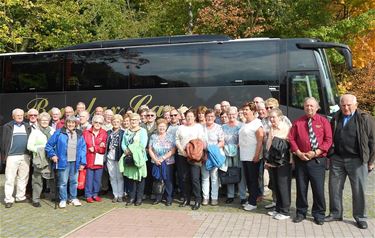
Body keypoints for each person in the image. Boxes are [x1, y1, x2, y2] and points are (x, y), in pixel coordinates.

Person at [325, 94, 375, 229]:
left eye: (349, 105)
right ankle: (336, 213)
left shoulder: (365, 118)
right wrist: (330, 156)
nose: (346, 108)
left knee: (359, 190)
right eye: (343, 105)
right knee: (334, 188)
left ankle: (360, 217)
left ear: (356, 105)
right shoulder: (335, 117)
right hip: (337, 159)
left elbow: (373, 141)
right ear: (340, 105)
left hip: (357, 160)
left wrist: (371, 161)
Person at [289, 97, 332, 225]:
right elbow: (291, 139)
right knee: (301, 188)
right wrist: (298, 153)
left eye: (312, 106)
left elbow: (328, 140)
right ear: (304, 107)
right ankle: (301, 212)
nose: (309, 108)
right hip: (301, 160)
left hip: (317, 161)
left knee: (318, 189)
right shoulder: (297, 122)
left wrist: (315, 152)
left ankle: (319, 214)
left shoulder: (323, 121)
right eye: (307, 105)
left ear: (317, 107)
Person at [45, 115, 86, 208]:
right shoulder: (59, 133)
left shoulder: (79, 134)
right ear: (66, 123)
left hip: (75, 162)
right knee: (63, 182)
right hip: (63, 162)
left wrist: (83, 162)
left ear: (76, 124)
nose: (71, 124)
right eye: (69, 122)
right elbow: (49, 145)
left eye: (73, 123)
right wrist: (53, 155)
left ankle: (73, 198)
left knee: (74, 181)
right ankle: (63, 199)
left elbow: (83, 148)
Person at [265, 108, 292, 220]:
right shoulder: (271, 128)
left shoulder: (285, 128)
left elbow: (284, 146)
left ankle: (285, 211)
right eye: (270, 117)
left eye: (274, 117)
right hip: (272, 161)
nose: (271, 119)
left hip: (283, 162)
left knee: (283, 186)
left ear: (280, 117)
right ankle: (278, 208)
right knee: (276, 185)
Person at [175, 109, 205, 210]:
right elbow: (177, 140)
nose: (189, 118)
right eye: (187, 116)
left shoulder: (198, 127)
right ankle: (186, 199)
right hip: (182, 155)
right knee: (184, 178)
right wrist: (182, 150)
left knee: (195, 179)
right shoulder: (181, 128)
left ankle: (197, 200)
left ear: (194, 117)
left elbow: (201, 140)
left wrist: (192, 150)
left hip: (194, 157)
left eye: (191, 116)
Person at [2, 108, 32, 208]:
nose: (20, 117)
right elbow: (3, 142)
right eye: (17, 115)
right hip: (12, 156)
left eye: (21, 115)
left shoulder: (27, 126)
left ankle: (20, 197)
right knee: (10, 178)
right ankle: (8, 199)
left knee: (23, 177)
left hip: (25, 156)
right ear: (13, 116)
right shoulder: (7, 126)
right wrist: (4, 155)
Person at [239, 102, 264, 211]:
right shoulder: (245, 123)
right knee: (248, 179)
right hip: (244, 155)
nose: (245, 111)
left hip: (253, 155)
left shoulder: (257, 123)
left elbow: (260, 140)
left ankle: (253, 202)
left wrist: (257, 155)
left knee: (253, 179)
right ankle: (250, 200)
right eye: (244, 109)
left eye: (247, 109)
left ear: (253, 111)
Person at [27, 112, 55, 207]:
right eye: (42, 120)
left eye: (46, 120)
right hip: (39, 159)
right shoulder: (35, 132)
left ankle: (54, 196)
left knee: (52, 178)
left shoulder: (52, 130)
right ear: (39, 121)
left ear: (49, 121)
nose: (44, 122)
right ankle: (35, 199)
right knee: (37, 179)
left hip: (50, 157)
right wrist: (40, 150)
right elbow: (29, 146)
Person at [121, 113, 148, 206]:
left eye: (136, 120)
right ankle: (132, 197)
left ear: (139, 121)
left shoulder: (143, 131)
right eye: (132, 120)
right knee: (131, 178)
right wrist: (126, 150)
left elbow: (143, 145)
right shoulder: (126, 131)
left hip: (139, 158)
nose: (133, 121)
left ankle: (139, 198)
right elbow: (123, 144)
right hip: (129, 157)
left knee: (140, 178)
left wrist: (132, 150)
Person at [148, 118, 176, 206]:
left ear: (166, 127)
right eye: (160, 126)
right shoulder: (153, 136)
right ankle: (158, 198)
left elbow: (173, 149)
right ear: (157, 127)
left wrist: (163, 158)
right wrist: (156, 159)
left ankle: (168, 198)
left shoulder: (170, 136)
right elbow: (150, 149)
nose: (161, 128)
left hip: (168, 162)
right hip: (156, 162)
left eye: (163, 126)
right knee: (157, 180)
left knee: (168, 180)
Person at [222, 106, 246, 204]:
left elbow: (244, 138)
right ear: (227, 115)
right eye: (229, 114)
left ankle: (243, 196)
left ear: (237, 114)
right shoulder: (223, 127)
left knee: (240, 173)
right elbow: (221, 139)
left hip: (239, 152)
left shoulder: (241, 125)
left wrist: (236, 146)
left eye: (233, 114)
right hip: (226, 152)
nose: (231, 116)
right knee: (229, 173)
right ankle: (230, 195)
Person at [201, 109, 224, 206]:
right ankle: (205, 198)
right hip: (204, 155)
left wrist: (212, 149)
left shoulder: (218, 128)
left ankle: (214, 198)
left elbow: (222, 142)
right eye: (208, 116)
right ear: (205, 117)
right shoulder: (201, 127)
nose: (209, 118)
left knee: (214, 177)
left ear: (215, 117)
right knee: (205, 177)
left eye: (212, 116)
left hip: (214, 155)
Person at [83, 115, 108, 203]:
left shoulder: (104, 133)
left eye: (100, 123)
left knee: (97, 178)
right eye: (96, 122)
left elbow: (104, 147)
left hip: (99, 159)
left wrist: (95, 148)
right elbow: (84, 146)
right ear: (92, 122)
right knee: (89, 178)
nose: (97, 124)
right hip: (89, 158)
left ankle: (95, 194)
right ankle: (88, 195)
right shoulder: (86, 133)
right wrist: (98, 146)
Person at [105, 114, 125, 202]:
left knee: (120, 176)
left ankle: (120, 195)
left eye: (117, 122)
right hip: (110, 157)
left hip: (119, 157)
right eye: (114, 121)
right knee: (112, 176)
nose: (115, 123)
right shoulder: (108, 132)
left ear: (120, 122)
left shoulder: (123, 133)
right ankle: (115, 195)